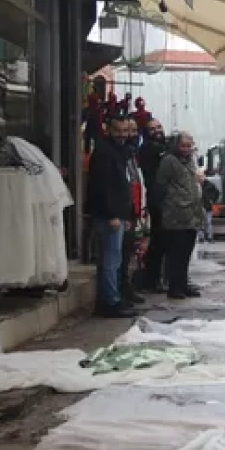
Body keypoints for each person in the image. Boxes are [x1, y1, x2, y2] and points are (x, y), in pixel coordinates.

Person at [85, 115, 136, 318]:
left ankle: (108, 299)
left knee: (112, 259)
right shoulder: (105, 153)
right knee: (110, 259)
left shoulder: (118, 151)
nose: (123, 135)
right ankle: (110, 302)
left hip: (117, 214)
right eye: (119, 131)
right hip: (109, 216)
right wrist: (112, 215)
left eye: (126, 131)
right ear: (109, 130)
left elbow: (122, 186)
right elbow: (103, 186)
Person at [153, 131, 206, 301]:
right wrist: (166, 205)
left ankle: (183, 283)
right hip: (175, 213)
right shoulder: (169, 161)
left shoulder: (190, 161)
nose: (185, 149)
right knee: (175, 252)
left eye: (188, 146)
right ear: (176, 146)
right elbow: (160, 185)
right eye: (182, 146)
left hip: (191, 214)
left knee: (186, 252)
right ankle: (174, 286)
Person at [139, 119, 170, 291]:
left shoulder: (162, 148)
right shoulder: (150, 149)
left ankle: (159, 278)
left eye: (159, 127)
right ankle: (153, 279)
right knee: (159, 240)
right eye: (152, 129)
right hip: (157, 199)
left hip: (164, 199)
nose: (157, 131)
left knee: (163, 240)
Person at [119, 119, 146, 305]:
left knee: (129, 252)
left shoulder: (132, 155)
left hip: (134, 210)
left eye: (134, 130)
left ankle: (126, 289)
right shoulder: (120, 155)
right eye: (128, 130)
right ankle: (121, 292)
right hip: (124, 211)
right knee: (120, 255)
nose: (131, 134)